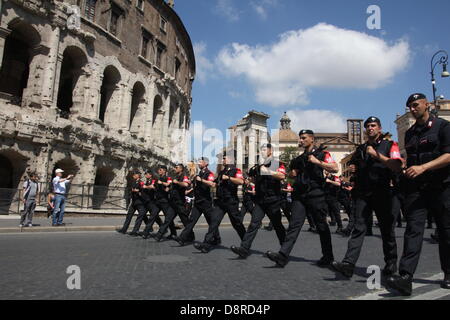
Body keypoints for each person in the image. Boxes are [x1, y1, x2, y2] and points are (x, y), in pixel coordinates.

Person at [386, 93, 450, 295]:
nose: (413, 109)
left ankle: (448, 272)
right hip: (417, 189)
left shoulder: (442, 126)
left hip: (442, 187)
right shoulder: (411, 132)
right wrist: (407, 169)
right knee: (412, 231)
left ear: (427, 105)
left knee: (446, 232)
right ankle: (405, 276)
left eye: (416, 105)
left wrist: (424, 167)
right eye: (410, 106)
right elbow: (410, 158)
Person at [331, 116, 403, 278]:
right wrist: (353, 167)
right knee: (358, 228)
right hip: (363, 194)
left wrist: (377, 155)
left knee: (386, 230)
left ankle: (391, 263)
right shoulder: (361, 148)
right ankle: (348, 264)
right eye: (367, 126)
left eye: (373, 125)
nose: (370, 128)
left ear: (379, 128)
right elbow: (354, 165)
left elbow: (397, 165)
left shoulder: (390, 145)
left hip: (383, 192)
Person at [265, 130, 338, 268]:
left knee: (321, 226)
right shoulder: (299, 159)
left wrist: (317, 162)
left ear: (312, 139)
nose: (301, 140)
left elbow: (335, 168)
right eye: (300, 138)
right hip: (300, 195)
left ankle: (328, 257)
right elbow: (290, 175)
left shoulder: (322, 154)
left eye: (304, 138)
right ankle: (282, 255)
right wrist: (292, 174)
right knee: (294, 225)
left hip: (316, 194)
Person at [230, 144, 287, 259]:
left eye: (264, 150)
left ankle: (285, 250)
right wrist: (249, 180)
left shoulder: (277, 163)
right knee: (253, 224)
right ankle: (244, 249)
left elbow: (281, 176)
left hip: (273, 200)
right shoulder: (258, 166)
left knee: (277, 225)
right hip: (260, 201)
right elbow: (252, 178)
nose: (262, 152)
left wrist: (267, 171)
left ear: (271, 151)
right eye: (261, 150)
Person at [193, 153, 246, 253]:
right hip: (220, 202)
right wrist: (212, 183)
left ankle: (245, 244)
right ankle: (206, 244)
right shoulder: (222, 172)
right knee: (214, 222)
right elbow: (214, 183)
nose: (223, 160)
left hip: (231, 201)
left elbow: (241, 181)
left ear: (230, 159)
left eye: (225, 158)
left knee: (237, 224)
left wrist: (229, 178)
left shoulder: (236, 171)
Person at [173, 157, 221, 246]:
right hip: (198, 202)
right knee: (191, 220)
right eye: (198, 162)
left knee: (211, 221)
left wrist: (201, 180)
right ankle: (182, 238)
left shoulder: (209, 173)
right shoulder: (198, 174)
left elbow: (211, 184)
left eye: (200, 162)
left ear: (206, 163)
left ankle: (217, 238)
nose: (198, 163)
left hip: (206, 202)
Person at [153, 163, 194, 242]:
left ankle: (191, 236)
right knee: (168, 219)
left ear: (181, 169)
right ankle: (159, 235)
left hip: (180, 203)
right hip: (173, 202)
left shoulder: (184, 176)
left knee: (185, 221)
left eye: (176, 168)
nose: (175, 169)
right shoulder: (175, 177)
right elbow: (171, 187)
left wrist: (177, 182)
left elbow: (185, 184)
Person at [141, 165, 178, 240]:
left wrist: (162, 183)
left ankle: (173, 233)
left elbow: (169, 185)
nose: (159, 171)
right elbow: (154, 186)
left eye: (160, 170)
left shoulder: (168, 178)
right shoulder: (157, 179)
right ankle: (146, 232)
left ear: (164, 171)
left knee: (168, 218)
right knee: (152, 216)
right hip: (157, 201)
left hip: (165, 201)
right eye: (159, 170)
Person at [116, 171, 148, 236]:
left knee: (140, 217)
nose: (133, 176)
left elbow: (143, 189)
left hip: (140, 202)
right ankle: (124, 229)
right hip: (134, 202)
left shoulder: (141, 182)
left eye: (134, 174)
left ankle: (135, 231)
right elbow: (131, 189)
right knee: (129, 216)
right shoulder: (133, 182)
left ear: (138, 175)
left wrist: (138, 190)